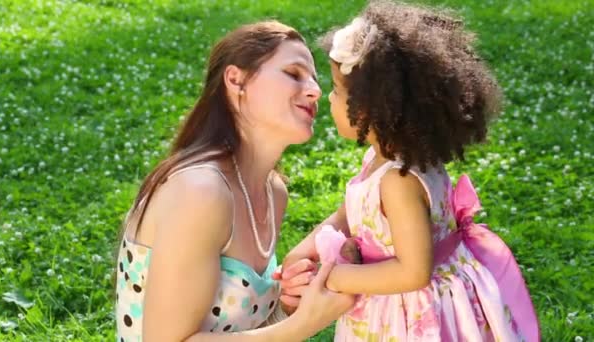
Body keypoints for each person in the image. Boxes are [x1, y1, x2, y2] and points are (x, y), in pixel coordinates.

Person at [279, 1, 540, 340]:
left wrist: (331, 276)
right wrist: (304, 250)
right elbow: (348, 215)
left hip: (409, 315)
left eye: (338, 91)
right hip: (397, 302)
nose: (328, 98)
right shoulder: (390, 158)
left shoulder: (398, 182)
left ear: (374, 109)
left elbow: (413, 271)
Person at [115, 20, 354, 341]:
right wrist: (303, 325)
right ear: (236, 80)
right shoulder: (200, 190)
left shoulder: (273, 191)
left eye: (313, 78)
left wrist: (286, 304)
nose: (314, 90)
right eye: (293, 74)